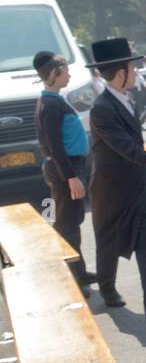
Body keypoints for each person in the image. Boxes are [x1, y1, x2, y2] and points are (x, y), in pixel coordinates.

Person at [85, 38, 146, 320]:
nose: (136, 73)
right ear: (121, 72)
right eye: (132, 69)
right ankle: (108, 289)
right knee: (108, 243)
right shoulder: (102, 108)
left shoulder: (126, 99)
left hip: (137, 185)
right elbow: (127, 149)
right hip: (111, 191)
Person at [33, 51, 95, 285]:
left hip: (69, 167)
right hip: (65, 169)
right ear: (54, 73)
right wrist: (71, 177)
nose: (69, 74)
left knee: (72, 222)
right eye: (65, 71)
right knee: (67, 225)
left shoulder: (53, 100)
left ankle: (79, 271)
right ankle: (72, 278)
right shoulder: (50, 104)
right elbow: (54, 145)